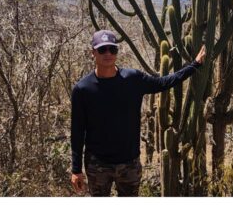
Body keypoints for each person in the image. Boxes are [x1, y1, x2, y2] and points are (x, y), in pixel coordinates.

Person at [71, 30, 206, 196]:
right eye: (102, 49)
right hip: (98, 165)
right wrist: (76, 170)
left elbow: (163, 83)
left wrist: (194, 65)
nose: (108, 54)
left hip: (129, 163)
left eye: (112, 49)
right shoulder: (82, 89)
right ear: (93, 53)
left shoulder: (132, 78)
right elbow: (77, 132)